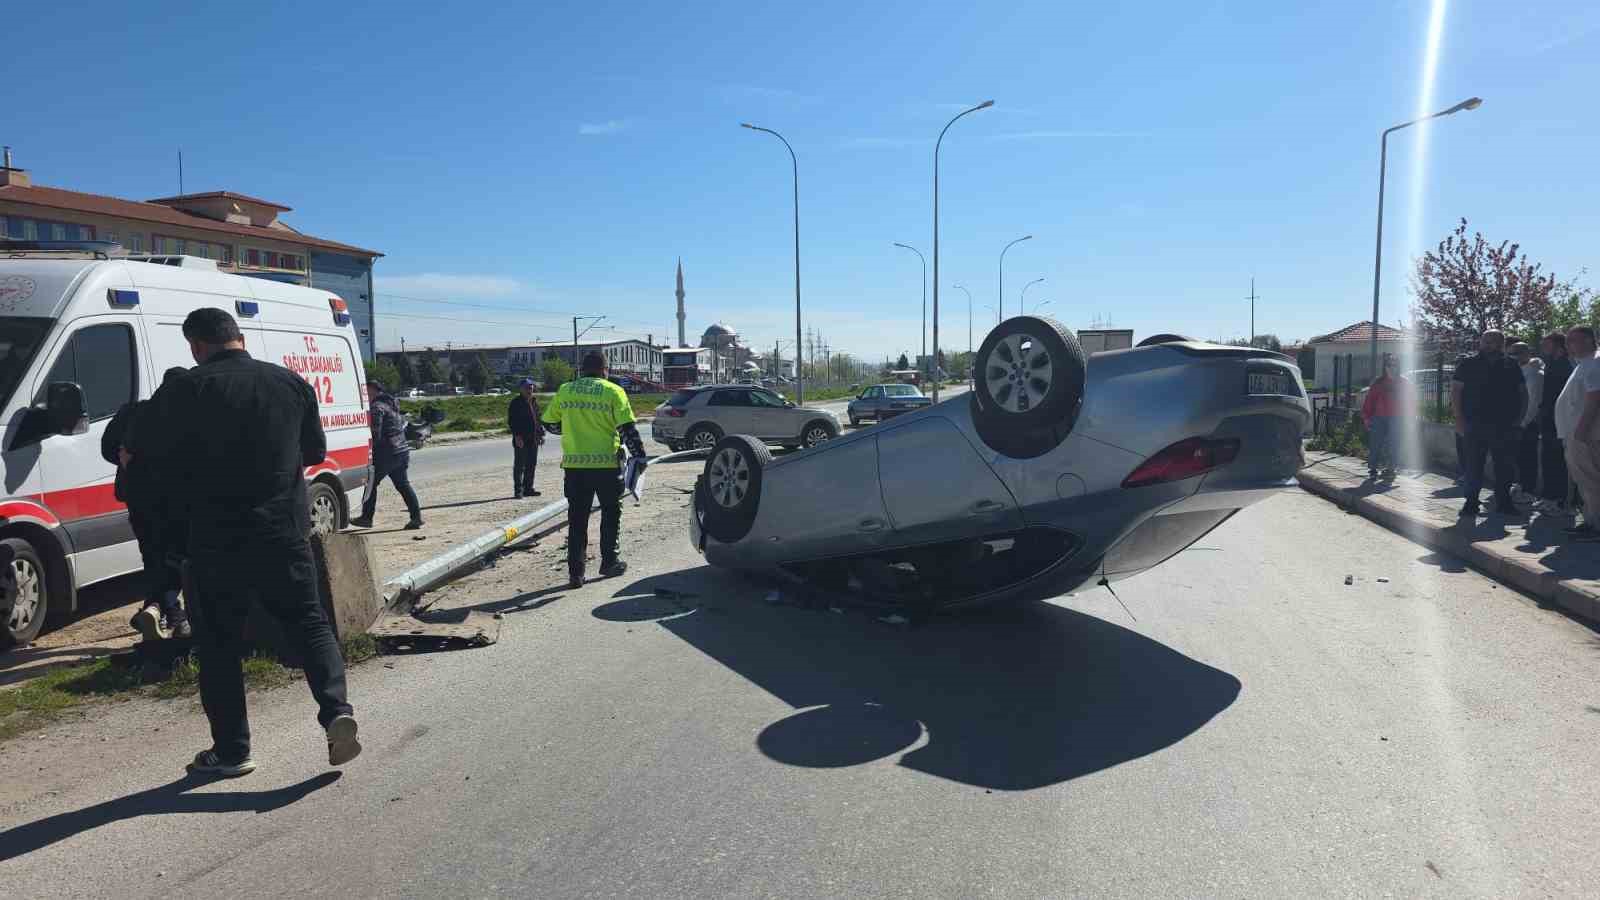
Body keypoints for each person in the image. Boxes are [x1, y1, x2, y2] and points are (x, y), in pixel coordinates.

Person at [144, 308, 359, 776]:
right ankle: (337, 712)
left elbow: (155, 461)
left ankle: (233, 751)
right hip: (283, 530)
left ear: (196, 345)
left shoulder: (186, 389)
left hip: (215, 539)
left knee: (220, 643)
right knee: (309, 623)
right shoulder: (289, 383)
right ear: (238, 338)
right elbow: (315, 453)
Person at [540, 351, 647, 588]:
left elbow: (548, 422)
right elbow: (627, 428)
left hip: (575, 468)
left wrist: (567, 429)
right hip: (607, 467)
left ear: (582, 369)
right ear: (604, 369)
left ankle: (575, 574)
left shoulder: (566, 390)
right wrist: (640, 456)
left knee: (577, 520)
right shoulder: (613, 391)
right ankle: (609, 562)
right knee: (610, 514)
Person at [102, 366, 192, 641]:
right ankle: (170, 614)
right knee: (176, 558)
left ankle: (158, 610)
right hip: (176, 501)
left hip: (139, 500)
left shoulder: (132, 412)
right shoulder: (183, 416)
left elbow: (108, 448)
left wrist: (124, 460)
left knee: (153, 556)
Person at [1451, 330, 1528, 518]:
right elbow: (1456, 392)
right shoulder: (1467, 364)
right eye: (1486, 341)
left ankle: (1504, 503)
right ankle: (1471, 503)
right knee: (1473, 465)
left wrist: (1519, 419)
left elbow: (1523, 393)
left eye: (1494, 341)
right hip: (1474, 424)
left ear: (1501, 344)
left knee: (1504, 466)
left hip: (1505, 426)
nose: (1489, 344)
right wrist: (1459, 419)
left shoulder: (1511, 365)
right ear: (1481, 343)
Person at [350, 381, 423, 530]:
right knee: (403, 485)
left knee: (370, 484)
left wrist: (368, 448)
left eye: (367, 391)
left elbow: (375, 432)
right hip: (401, 450)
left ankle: (366, 518)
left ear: (374, 390)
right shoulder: (391, 404)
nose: (365, 395)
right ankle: (416, 518)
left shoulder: (377, 407)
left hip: (387, 453)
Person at [1555, 326, 1600, 541]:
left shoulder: (1594, 362)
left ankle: (1596, 526)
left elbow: (1595, 398)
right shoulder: (1585, 363)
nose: (1569, 345)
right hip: (1578, 433)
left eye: (1574, 340)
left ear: (1591, 340)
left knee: (1590, 479)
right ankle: (1591, 521)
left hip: (1585, 434)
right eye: (1568, 341)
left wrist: (1581, 431)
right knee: (1585, 481)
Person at [1537, 332, 1573, 514]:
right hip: (1549, 419)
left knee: (1557, 460)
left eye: (1547, 344)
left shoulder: (1565, 366)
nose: (1543, 347)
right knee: (1548, 458)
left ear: (1558, 346)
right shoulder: (1552, 365)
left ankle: (1559, 500)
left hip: (1559, 420)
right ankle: (1549, 496)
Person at [1360, 356, 1409, 480]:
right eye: (1389, 365)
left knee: (1394, 444)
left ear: (1398, 367)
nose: (1392, 368)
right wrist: (1366, 417)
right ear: (1385, 367)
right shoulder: (1378, 382)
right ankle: (1372, 468)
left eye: (1394, 365)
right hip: (1378, 417)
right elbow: (1369, 400)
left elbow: (1410, 401)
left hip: (1397, 418)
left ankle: (1391, 469)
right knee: (1376, 443)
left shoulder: (1404, 383)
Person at [1510, 342, 1544, 503]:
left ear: (1527, 353)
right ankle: (1520, 486)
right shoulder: (1520, 371)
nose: (1514, 356)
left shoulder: (1535, 374)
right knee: (1518, 457)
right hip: (1517, 422)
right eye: (1512, 353)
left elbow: (1533, 402)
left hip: (1527, 424)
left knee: (1527, 458)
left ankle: (1528, 491)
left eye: (1518, 352)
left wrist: (1522, 424)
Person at [508, 377, 546, 498]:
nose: (530, 389)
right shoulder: (515, 403)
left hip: (533, 438)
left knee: (531, 464)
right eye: (527, 387)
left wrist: (541, 434)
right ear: (521, 389)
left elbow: (538, 420)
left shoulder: (534, 402)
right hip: (521, 439)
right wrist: (517, 436)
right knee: (520, 465)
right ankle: (518, 490)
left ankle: (528, 488)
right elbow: (512, 421)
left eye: (531, 387)